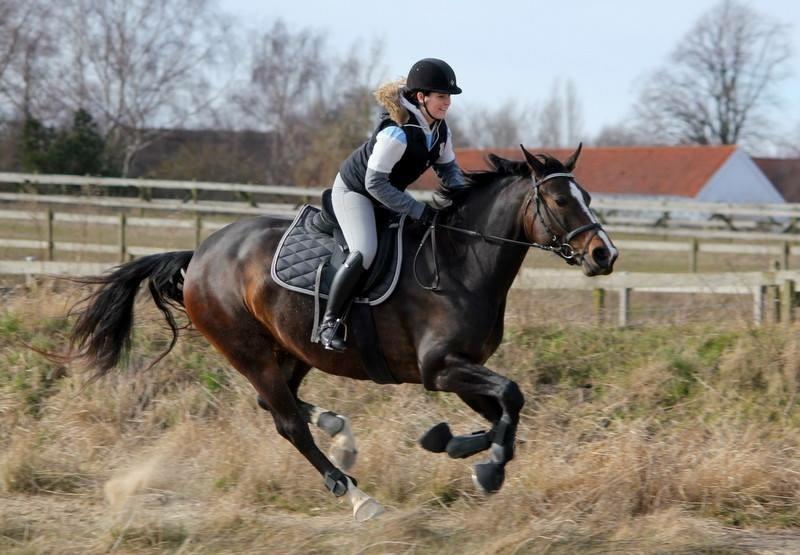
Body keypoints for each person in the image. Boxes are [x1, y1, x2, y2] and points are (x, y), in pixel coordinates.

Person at [318, 58, 466, 352]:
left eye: (448, 97)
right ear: (421, 97)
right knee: (366, 251)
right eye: (441, 96)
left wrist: (466, 199)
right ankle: (330, 322)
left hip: (385, 195)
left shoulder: (439, 130)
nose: (447, 103)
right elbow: (374, 184)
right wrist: (419, 210)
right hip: (356, 192)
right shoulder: (396, 132)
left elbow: (449, 171)